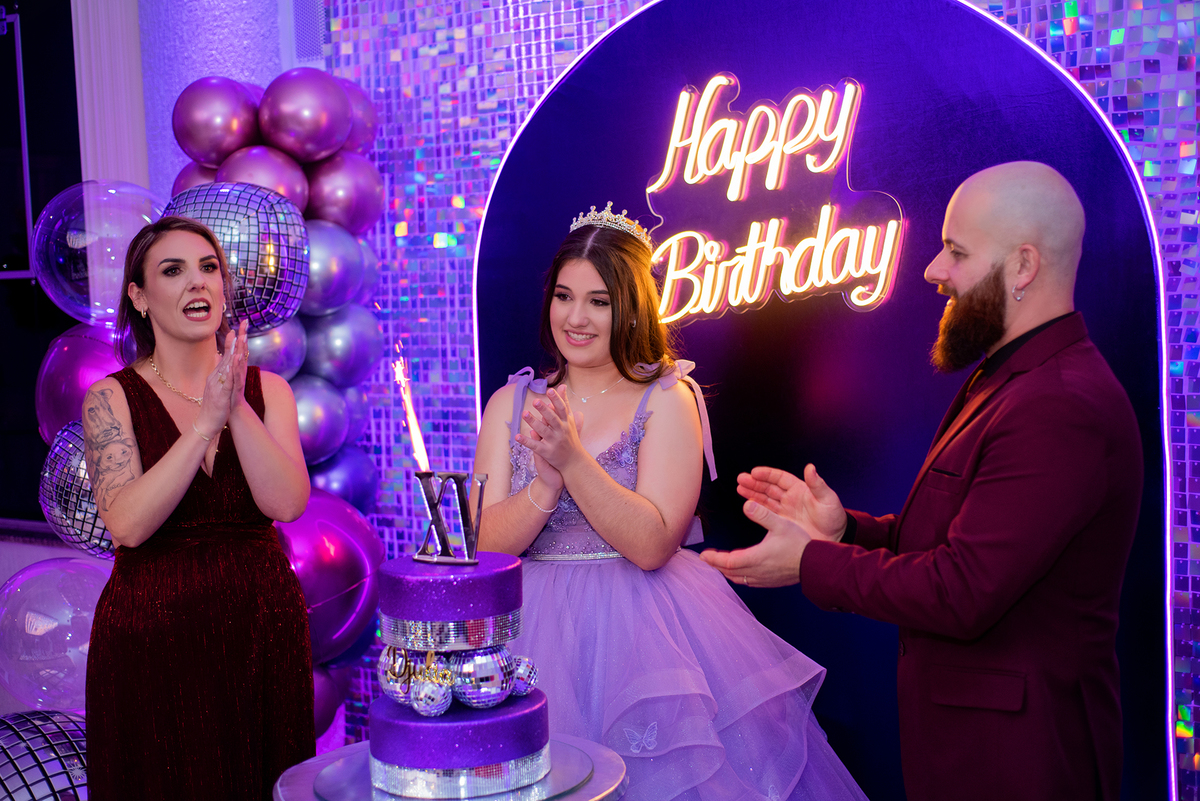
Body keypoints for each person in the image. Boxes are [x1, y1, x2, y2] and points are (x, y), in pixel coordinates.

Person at [702, 162, 1143, 801]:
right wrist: (844, 529)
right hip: (970, 749)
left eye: (956, 252)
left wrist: (814, 562)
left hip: (1019, 764)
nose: (933, 269)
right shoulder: (1012, 377)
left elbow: (963, 589)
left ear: (1022, 267)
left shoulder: (1059, 403)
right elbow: (969, 543)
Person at [473, 203, 868, 801]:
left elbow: (653, 543)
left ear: (630, 305)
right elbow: (485, 545)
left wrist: (574, 461)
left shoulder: (666, 397)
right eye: (564, 296)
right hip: (529, 640)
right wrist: (545, 485)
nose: (575, 317)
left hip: (647, 635)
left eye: (599, 301)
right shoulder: (511, 403)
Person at [83, 216, 315, 800]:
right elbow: (128, 524)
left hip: (262, 634)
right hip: (152, 644)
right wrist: (203, 424)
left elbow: (286, 502)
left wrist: (234, 405)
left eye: (208, 268)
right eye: (173, 270)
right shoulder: (111, 398)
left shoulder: (272, 392)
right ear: (139, 297)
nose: (198, 283)